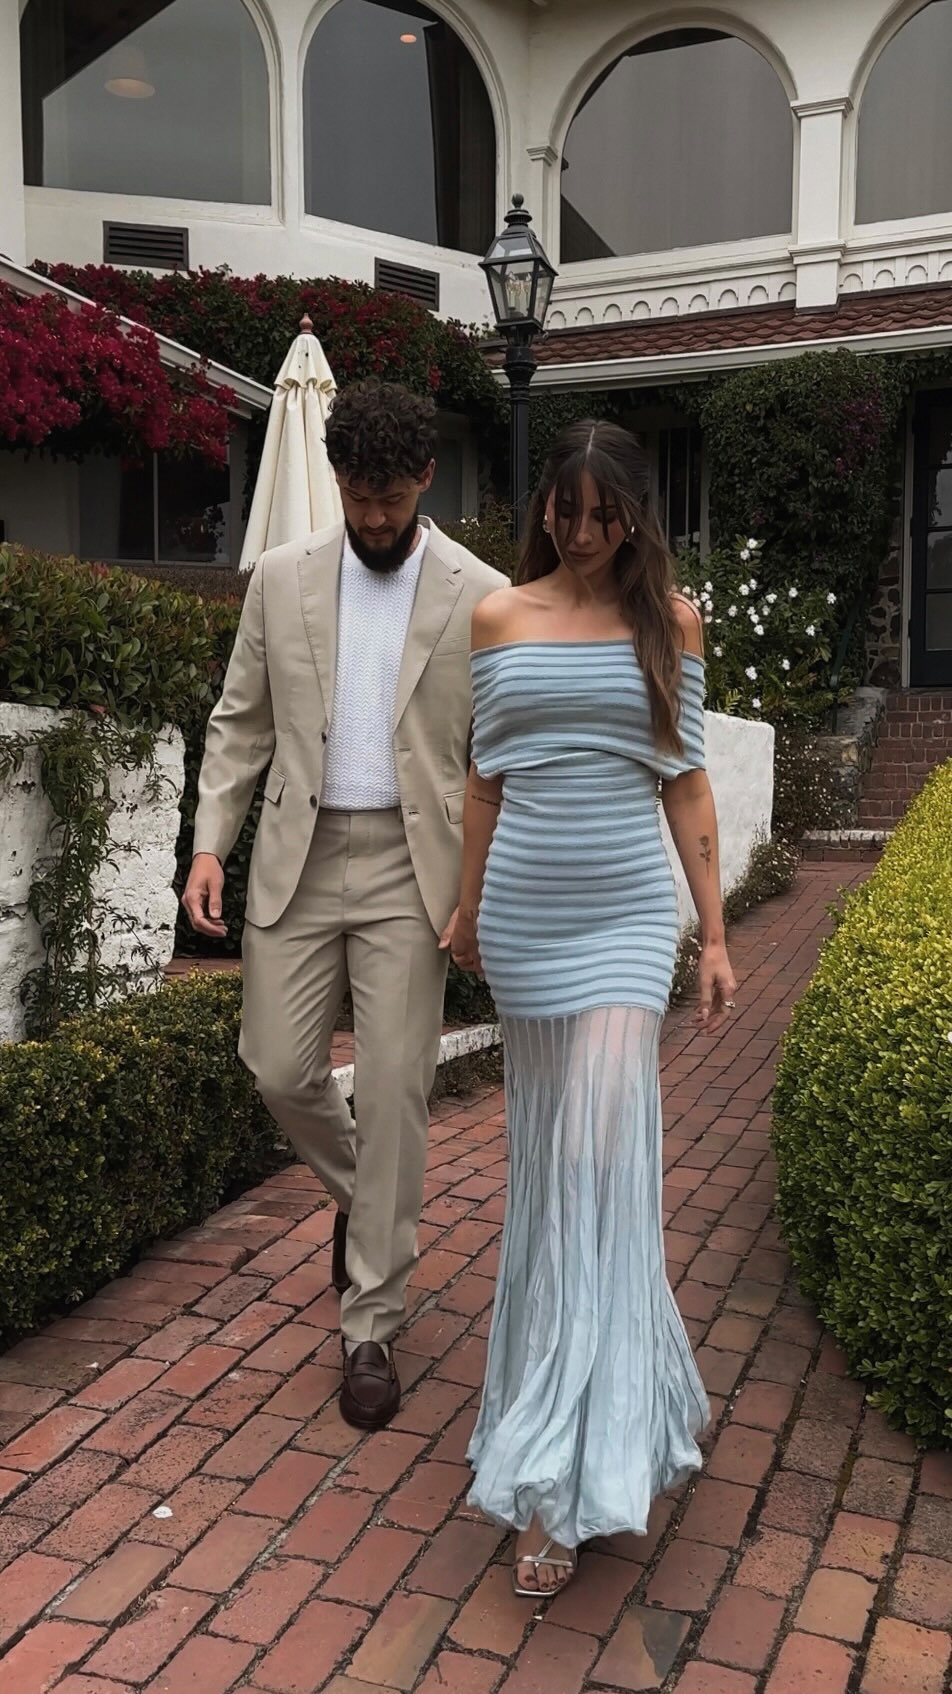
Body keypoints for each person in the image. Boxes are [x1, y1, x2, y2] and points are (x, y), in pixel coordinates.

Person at [182, 379, 509, 1431]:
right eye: (358, 497)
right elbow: (240, 721)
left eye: (391, 498)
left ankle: (370, 1323)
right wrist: (208, 844)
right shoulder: (281, 578)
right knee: (277, 1065)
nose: (374, 517)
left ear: (425, 479)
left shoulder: (481, 592)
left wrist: (486, 886)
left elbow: (496, 756)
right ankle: (369, 1203)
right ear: (336, 478)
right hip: (300, 852)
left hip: (414, 867)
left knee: (398, 1086)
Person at [447, 420, 737, 1596]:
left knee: (593, 1165)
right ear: (544, 512)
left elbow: (688, 781)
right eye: (563, 512)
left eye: (600, 512)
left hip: (625, 921)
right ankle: (616, 1408)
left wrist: (714, 933)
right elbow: (483, 777)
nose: (580, 532)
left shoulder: (671, 622)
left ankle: (566, 1479)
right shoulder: (497, 617)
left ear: (633, 512)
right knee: (550, 1172)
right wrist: (466, 906)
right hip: (525, 918)